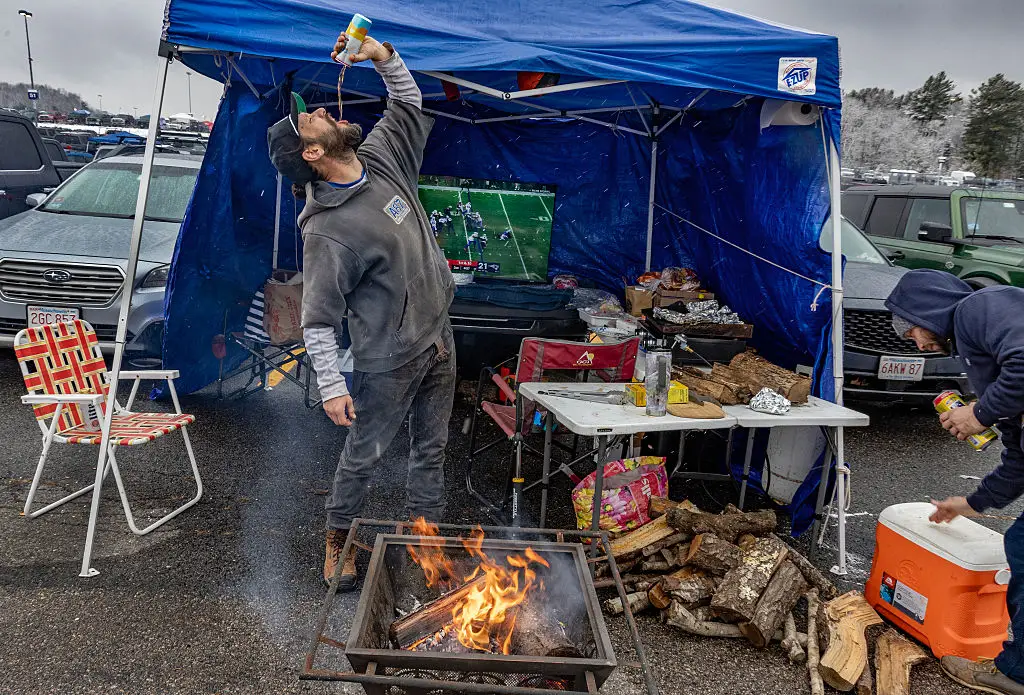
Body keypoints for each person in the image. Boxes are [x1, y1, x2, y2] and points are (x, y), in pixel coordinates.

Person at [267, 31, 456, 590]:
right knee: (365, 454)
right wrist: (331, 385)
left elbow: (409, 103)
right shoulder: (327, 230)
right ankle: (338, 542)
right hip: (387, 358)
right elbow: (318, 319)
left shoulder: (380, 158)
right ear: (312, 153)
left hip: (437, 335)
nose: (322, 110)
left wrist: (383, 57)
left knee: (433, 447)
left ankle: (428, 540)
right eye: (311, 121)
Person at [886, 268, 1024, 695]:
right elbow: (1020, 456)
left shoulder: (978, 307)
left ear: (924, 308)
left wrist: (977, 413)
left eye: (909, 328)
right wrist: (969, 503)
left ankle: (1016, 675)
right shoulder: (974, 333)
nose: (914, 341)